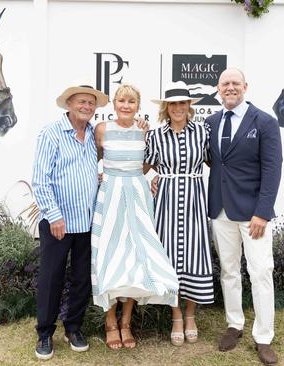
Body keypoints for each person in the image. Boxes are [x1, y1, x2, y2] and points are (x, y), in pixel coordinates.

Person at [91, 83, 179, 350]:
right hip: (110, 198)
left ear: (138, 106)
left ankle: (126, 322)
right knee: (109, 256)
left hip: (138, 197)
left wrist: (149, 181)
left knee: (136, 258)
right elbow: (94, 159)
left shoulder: (145, 132)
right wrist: (101, 174)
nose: (126, 105)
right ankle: (110, 322)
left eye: (131, 101)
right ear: (114, 104)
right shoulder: (102, 129)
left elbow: (148, 163)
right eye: (121, 101)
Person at [204, 68, 282, 365]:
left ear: (245, 87)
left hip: (253, 215)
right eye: (225, 84)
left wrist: (262, 212)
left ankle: (263, 338)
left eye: (236, 83)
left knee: (261, 272)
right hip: (221, 210)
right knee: (229, 270)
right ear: (219, 89)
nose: (230, 88)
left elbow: (272, 170)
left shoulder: (264, 122)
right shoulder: (211, 122)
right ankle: (234, 324)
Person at [31, 82, 109, 360]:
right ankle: (44, 333)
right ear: (69, 104)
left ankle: (73, 328)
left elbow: (93, 170)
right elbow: (41, 181)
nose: (87, 107)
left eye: (91, 103)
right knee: (51, 279)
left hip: (87, 222)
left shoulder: (92, 134)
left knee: (81, 279)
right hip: (59, 222)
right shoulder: (51, 133)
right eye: (81, 102)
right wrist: (54, 216)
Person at [144, 81, 214, 347]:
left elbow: (216, 163)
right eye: (173, 103)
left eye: (182, 103)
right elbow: (142, 168)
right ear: (166, 107)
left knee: (195, 254)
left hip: (195, 199)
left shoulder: (203, 132)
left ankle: (190, 316)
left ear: (189, 106)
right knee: (170, 255)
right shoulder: (155, 136)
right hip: (167, 201)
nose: (178, 108)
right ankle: (175, 316)